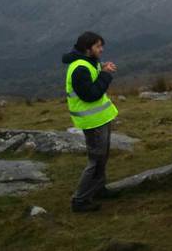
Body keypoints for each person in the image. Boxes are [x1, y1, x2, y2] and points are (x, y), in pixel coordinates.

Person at [62, 31, 120, 213]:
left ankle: (98, 189)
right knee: (95, 161)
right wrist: (106, 75)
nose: (101, 50)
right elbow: (90, 94)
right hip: (92, 122)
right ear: (88, 49)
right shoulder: (80, 68)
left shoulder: (88, 62)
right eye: (98, 46)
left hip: (100, 119)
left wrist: (102, 68)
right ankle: (80, 200)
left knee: (102, 158)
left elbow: (93, 79)